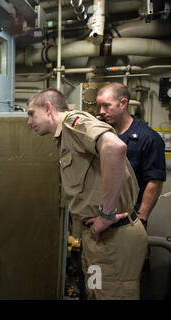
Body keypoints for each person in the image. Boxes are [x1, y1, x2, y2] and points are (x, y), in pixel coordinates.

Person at [27, 89, 148, 299]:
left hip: (113, 238)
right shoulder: (65, 135)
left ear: (47, 108)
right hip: (97, 240)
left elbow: (115, 146)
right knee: (94, 293)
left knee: (110, 295)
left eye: (31, 114)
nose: (29, 122)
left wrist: (107, 214)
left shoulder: (73, 122)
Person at [97, 82, 166, 229]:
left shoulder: (148, 138)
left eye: (106, 105)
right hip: (99, 216)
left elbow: (154, 182)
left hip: (128, 218)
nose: (101, 111)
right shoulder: (101, 134)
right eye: (100, 106)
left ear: (123, 103)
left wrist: (141, 218)